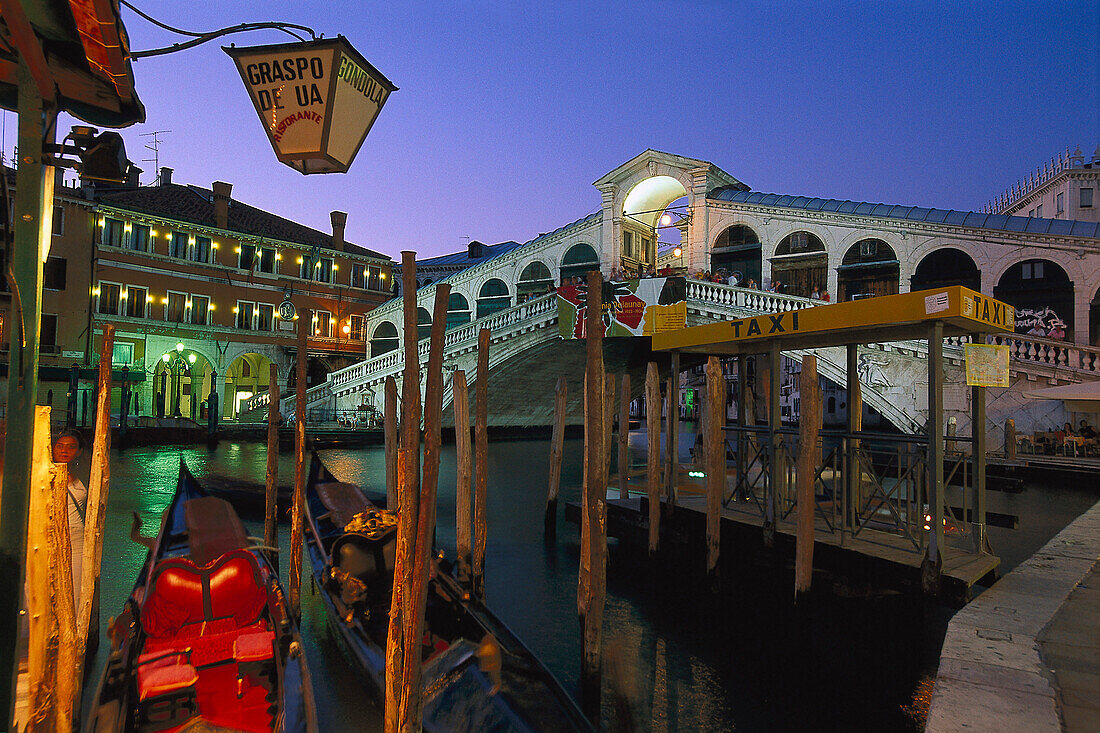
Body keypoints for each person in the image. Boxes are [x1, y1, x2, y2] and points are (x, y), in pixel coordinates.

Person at [53, 429, 86, 609]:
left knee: (75, 590)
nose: (64, 451)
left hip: (77, 539)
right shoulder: (43, 472)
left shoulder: (83, 474)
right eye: (60, 446)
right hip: (50, 535)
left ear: (79, 451)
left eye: (71, 447)